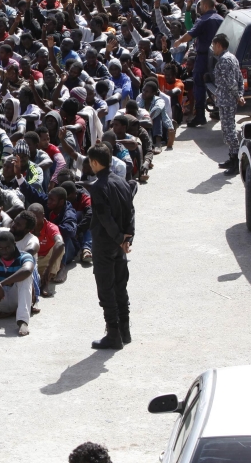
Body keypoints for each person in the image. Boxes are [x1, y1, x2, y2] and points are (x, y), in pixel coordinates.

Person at [86, 143, 135, 350]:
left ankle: (113, 334)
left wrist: (118, 239)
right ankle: (125, 330)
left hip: (106, 244)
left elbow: (105, 219)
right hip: (119, 244)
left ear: (95, 162)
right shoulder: (122, 182)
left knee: (106, 289)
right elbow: (131, 212)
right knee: (120, 286)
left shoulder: (98, 187)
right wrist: (126, 240)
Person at [173, 0, 223, 127]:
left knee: (199, 84)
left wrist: (179, 41)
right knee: (216, 84)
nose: (200, 9)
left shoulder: (204, 20)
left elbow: (190, 34)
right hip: (218, 57)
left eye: (200, 6)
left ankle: (200, 115)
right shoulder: (222, 19)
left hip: (204, 57)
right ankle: (217, 110)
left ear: (205, 6)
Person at [208, 33, 246, 176]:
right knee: (226, 129)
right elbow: (240, 78)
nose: (213, 49)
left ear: (219, 45)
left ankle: (236, 162)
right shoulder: (232, 57)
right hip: (226, 100)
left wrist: (238, 96)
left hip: (227, 101)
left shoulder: (224, 60)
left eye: (214, 46)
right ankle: (232, 158)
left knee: (229, 131)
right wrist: (240, 94)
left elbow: (231, 82)